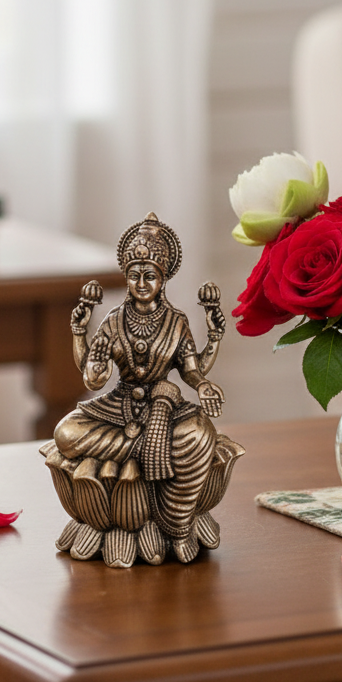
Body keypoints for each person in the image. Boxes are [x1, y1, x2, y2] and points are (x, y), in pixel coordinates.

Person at [49, 213, 227, 555]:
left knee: (202, 433)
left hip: (165, 405)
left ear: (162, 279)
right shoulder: (114, 321)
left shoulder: (176, 322)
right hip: (118, 405)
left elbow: (191, 370)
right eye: (134, 276)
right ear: (126, 278)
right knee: (65, 433)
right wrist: (79, 332)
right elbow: (93, 375)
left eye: (149, 276)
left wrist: (205, 374)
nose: (142, 283)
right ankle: (148, 450)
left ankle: (175, 519)